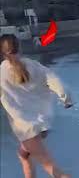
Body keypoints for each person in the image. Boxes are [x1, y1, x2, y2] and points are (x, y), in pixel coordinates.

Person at [0, 34, 73, 178]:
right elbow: (55, 81)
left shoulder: (1, 72)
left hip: (26, 128)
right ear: (19, 48)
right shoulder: (34, 65)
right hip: (42, 124)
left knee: (55, 172)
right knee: (24, 155)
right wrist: (66, 100)